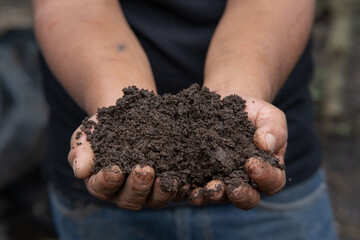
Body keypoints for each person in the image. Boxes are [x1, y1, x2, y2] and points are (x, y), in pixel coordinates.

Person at [32, 0, 338, 239]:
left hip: (269, 183)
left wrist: (237, 96)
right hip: (98, 203)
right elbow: (74, 7)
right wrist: (121, 108)